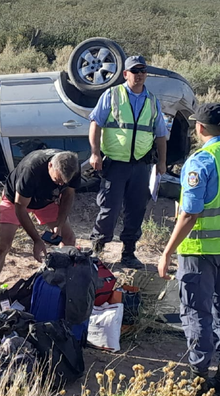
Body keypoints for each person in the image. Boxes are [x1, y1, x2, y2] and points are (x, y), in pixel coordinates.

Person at [157, 103, 220, 396]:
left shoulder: (200, 161)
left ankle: (198, 380)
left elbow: (189, 214)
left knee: (195, 313)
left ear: (199, 128)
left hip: (198, 251)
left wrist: (166, 252)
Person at [88, 55, 169, 268]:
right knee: (109, 209)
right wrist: (95, 153)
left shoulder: (152, 101)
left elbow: (160, 134)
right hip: (115, 164)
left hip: (141, 166)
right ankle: (96, 252)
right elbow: (96, 124)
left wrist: (162, 162)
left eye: (143, 70)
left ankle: (128, 254)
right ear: (126, 74)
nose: (140, 74)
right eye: (135, 71)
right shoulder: (112, 95)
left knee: (136, 209)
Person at [0, 149, 80, 293]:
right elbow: (20, 207)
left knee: (68, 237)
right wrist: (37, 240)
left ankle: (60, 284)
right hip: (16, 200)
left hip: (46, 201)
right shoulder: (32, 169)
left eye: (63, 182)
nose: (60, 184)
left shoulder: (73, 167)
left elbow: (68, 193)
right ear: (50, 166)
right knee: (3, 244)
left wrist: (60, 222)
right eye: (57, 180)